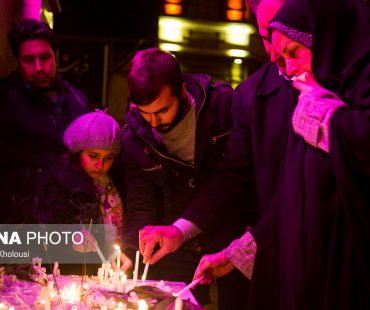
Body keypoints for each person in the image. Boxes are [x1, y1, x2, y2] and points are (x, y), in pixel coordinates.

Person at [195, 0, 370, 309]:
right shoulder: (308, 98)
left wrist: (329, 120)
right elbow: (288, 202)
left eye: (293, 52)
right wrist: (234, 256)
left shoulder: (342, 97)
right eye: (272, 46)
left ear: (323, 38)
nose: (287, 68)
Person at [137, 1, 289, 309]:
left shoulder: (224, 102)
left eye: (284, 35)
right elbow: (234, 177)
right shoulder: (251, 94)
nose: (275, 53)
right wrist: (179, 231)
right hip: (266, 252)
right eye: (264, 37)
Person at [120, 47, 252, 307]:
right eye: (146, 113)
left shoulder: (223, 105)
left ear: (181, 90)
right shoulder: (134, 136)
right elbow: (142, 202)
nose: (154, 122)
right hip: (177, 238)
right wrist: (129, 249)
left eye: (162, 111)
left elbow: (237, 176)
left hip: (230, 230)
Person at [0, 19, 89, 223]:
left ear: (56, 56)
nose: (39, 67)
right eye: (29, 60)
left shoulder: (76, 98)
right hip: (24, 220)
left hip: (75, 216)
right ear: (18, 62)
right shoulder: (7, 101)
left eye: (45, 57)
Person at [33, 110, 130, 274]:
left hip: (104, 272)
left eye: (109, 158)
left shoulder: (113, 180)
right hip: (71, 275)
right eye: (94, 156)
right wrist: (71, 239)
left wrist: (118, 252)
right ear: (78, 152)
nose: (101, 165)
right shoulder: (60, 183)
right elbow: (48, 234)